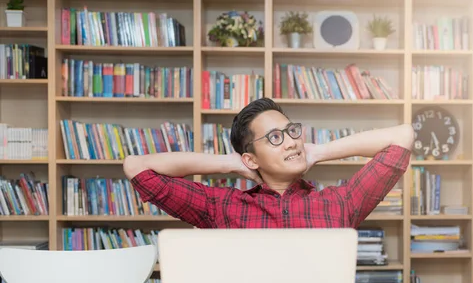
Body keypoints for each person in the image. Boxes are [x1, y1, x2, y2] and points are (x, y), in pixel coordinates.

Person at [123, 98, 414, 229]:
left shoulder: (342, 202)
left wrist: (318, 152)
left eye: (292, 132)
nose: (291, 142)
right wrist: (232, 163)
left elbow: (403, 136)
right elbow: (136, 167)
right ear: (250, 157)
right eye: (275, 137)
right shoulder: (221, 206)